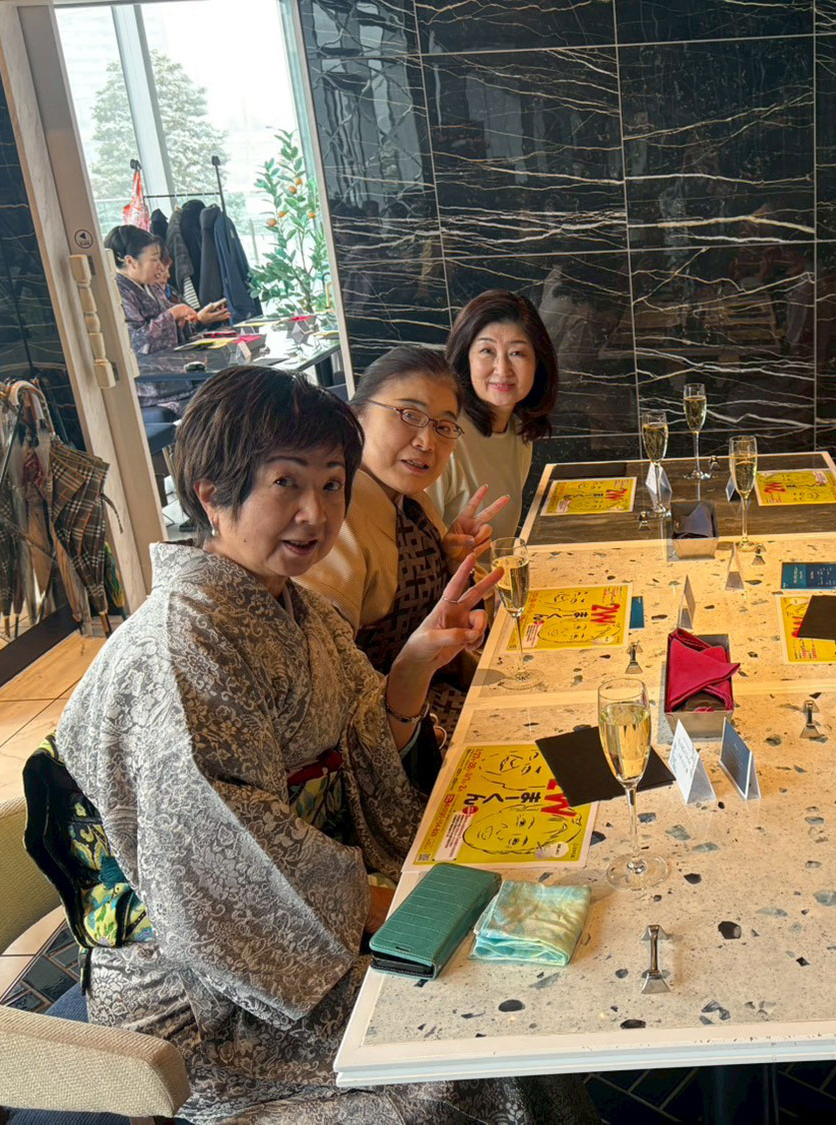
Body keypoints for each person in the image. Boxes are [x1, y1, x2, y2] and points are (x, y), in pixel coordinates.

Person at [52, 366, 595, 1124]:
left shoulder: (297, 607)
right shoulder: (180, 651)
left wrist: (412, 665)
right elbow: (226, 869)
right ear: (211, 493)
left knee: (515, 969)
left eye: (333, 484)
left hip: (305, 914)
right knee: (472, 1045)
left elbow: (365, 742)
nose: (316, 512)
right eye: (286, 482)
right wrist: (411, 908)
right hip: (207, 990)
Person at [299, 344, 507, 787]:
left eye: (444, 426)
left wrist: (450, 562)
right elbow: (325, 685)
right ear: (356, 415)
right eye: (408, 415)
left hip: (437, 710)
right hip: (389, 756)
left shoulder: (413, 503)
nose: (426, 442)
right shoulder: (336, 519)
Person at [427, 290, 558, 541]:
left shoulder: (518, 430)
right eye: (487, 351)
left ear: (538, 363)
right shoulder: (442, 436)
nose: (502, 369)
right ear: (466, 358)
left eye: (517, 353)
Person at [105, 223, 227, 355]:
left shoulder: (151, 285)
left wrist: (197, 319)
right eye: (154, 260)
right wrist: (173, 314)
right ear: (130, 261)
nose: (160, 267)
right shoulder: (118, 292)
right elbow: (137, 343)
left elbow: (178, 327)